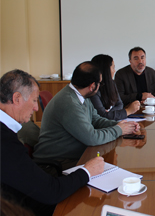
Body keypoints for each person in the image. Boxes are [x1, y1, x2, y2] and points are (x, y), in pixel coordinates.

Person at [0, 69, 105, 216]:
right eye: (34, 100)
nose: (36, 108)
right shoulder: (5, 143)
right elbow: (51, 192)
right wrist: (87, 171)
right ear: (17, 98)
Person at [33, 62, 140, 169]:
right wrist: (119, 130)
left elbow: (96, 120)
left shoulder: (81, 95)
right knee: (110, 169)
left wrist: (120, 125)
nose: (100, 87)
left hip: (74, 155)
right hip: (57, 162)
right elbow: (92, 138)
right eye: (100, 84)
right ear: (92, 86)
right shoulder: (69, 103)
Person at [90, 54, 140, 120]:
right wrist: (128, 111)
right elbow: (102, 117)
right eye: (113, 67)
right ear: (106, 70)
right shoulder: (93, 90)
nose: (114, 70)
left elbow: (120, 104)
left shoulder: (112, 83)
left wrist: (109, 114)